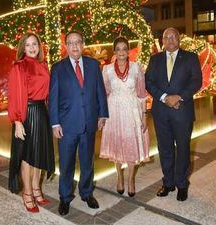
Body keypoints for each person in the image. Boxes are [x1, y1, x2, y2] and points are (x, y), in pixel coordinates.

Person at [49, 31, 108, 216]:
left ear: (83, 44)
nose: (75, 46)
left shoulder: (93, 65)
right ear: (65, 46)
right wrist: (55, 123)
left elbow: (100, 91)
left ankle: (86, 193)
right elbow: (53, 98)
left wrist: (102, 115)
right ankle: (65, 197)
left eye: (78, 42)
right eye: (71, 43)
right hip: (66, 126)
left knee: (87, 162)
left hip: (89, 123)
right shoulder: (58, 68)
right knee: (66, 164)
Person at [145, 28, 202, 201]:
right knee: (165, 149)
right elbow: (148, 81)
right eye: (167, 37)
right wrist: (164, 97)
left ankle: (182, 184)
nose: (170, 40)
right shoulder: (155, 59)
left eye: (173, 37)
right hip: (161, 112)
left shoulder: (191, 58)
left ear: (179, 39)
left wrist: (179, 97)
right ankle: (168, 183)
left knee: (183, 149)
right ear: (162, 40)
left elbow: (196, 81)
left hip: (182, 112)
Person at [8, 32, 55, 212]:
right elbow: (14, 96)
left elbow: (49, 92)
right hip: (26, 113)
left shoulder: (43, 65)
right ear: (23, 48)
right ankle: (27, 193)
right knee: (27, 156)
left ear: (39, 46)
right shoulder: (18, 67)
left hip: (41, 112)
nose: (32, 47)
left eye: (34, 44)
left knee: (39, 153)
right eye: (28, 45)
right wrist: (17, 121)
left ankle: (36, 189)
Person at [99, 37, 150, 197]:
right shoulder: (106, 70)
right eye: (118, 49)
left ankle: (130, 180)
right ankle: (119, 177)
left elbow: (142, 94)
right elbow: (104, 94)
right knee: (117, 145)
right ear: (114, 51)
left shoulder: (136, 68)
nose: (121, 52)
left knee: (131, 145)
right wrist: (102, 115)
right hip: (113, 111)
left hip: (132, 111)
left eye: (124, 49)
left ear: (128, 51)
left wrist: (144, 115)